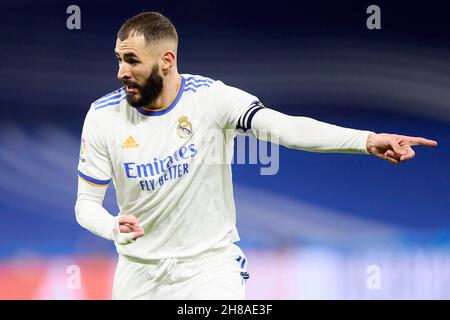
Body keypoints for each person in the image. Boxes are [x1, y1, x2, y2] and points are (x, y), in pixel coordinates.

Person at [74, 12, 437, 300]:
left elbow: (286, 128)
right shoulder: (103, 116)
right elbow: (85, 204)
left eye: (132, 61)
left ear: (167, 60)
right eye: (119, 59)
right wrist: (111, 227)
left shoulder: (211, 99)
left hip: (209, 269)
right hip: (138, 275)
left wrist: (366, 139)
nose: (122, 72)